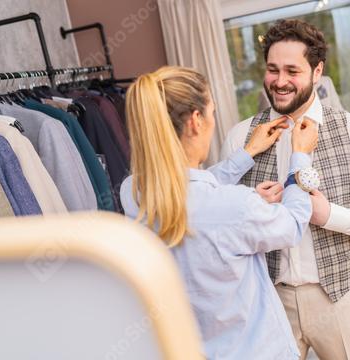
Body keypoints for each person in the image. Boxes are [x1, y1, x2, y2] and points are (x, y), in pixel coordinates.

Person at [221, 19, 350, 360]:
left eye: (292, 71)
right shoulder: (240, 139)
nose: (279, 82)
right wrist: (250, 204)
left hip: (341, 296)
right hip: (268, 298)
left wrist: (331, 215)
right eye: (272, 69)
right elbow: (220, 218)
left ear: (317, 71)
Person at [120, 66, 319, 359]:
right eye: (212, 112)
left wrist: (247, 154)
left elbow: (186, 194)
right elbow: (290, 225)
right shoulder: (235, 206)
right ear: (196, 121)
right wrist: (300, 159)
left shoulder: (133, 192)